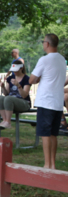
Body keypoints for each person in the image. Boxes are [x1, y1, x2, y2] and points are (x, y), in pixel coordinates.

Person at [29, 34, 66, 169]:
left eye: (43, 41)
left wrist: (38, 78)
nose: (43, 44)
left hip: (46, 101)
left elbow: (31, 80)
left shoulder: (44, 60)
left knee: (45, 134)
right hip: (57, 102)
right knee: (53, 134)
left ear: (48, 44)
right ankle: (53, 164)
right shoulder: (62, 59)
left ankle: (47, 164)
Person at [0, 59, 31, 129]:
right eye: (13, 70)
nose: (14, 72)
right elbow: (6, 94)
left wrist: (19, 86)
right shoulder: (10, 78)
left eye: (16, 70)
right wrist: (3, 87)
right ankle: (5, 120)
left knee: (8, 98)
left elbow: (24, 95)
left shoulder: (26, 79)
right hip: (11, 101)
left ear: (21, 68)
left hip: (24, 102)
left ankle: (8, 122)